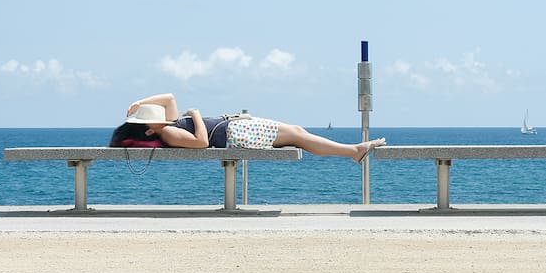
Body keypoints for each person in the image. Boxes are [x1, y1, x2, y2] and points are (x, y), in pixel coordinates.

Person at [114, 93, 385, 162]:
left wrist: (140, 102)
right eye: (148, 118)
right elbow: (201, 143)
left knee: (298, 132)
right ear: (148, 130)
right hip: (236, 133)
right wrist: (196, 114)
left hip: (238, 128)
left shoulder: (167, 123)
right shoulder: (168, 132)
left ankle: (353, 151)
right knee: (298, 136)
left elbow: (169, 97)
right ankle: (353, 151)